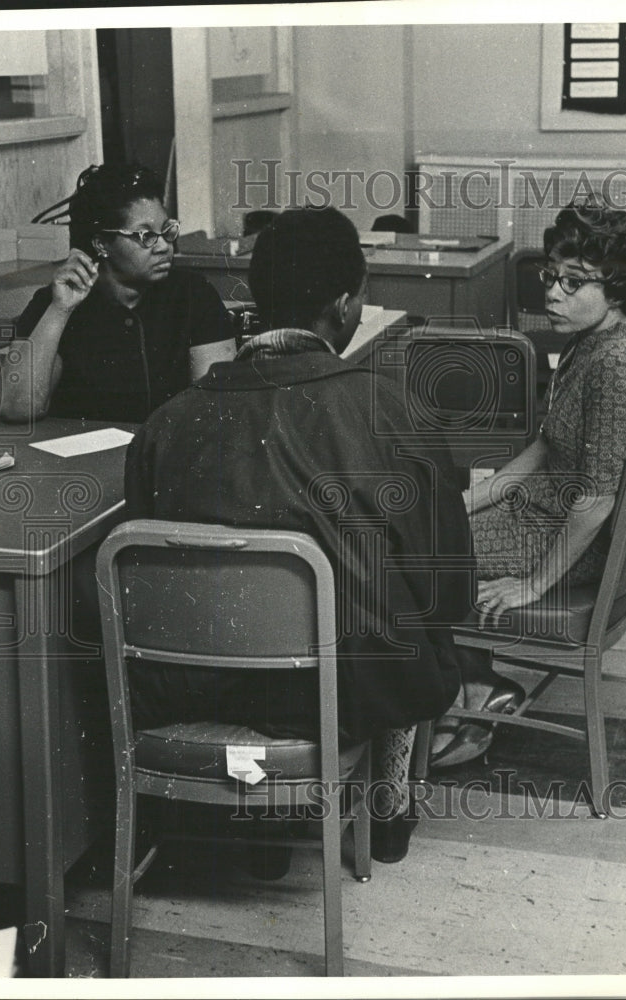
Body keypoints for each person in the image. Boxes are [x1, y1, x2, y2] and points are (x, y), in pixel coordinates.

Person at [124, 205, 474, 865]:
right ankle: (389, 804)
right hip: (340, 689)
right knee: (417, 614)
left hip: (186, 685)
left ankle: (245, 810)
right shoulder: (386, 407)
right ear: (344, 307)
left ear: (257, 298)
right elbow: (446, 584)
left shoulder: (166, 423)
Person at [430, 195, 626, 768]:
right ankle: (472, 678)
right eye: (551, 276)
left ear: (617, 290)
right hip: (545, 514)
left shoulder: (615, 363)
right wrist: (465, 501)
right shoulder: (593, 337)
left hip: (577, 541)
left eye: (573, 282)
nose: (552, 293)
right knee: (427, 522)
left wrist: (532, 584)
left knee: (409, 554)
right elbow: (544, 447)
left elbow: (597, 500)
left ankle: (472, 690)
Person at [0, 163, 236, 423]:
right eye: (146, 235)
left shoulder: (193, 295)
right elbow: (17, 407)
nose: (164, 246)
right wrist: (60, 310)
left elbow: (217, 408)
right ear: (101, 244)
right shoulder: (54, 303)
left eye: (167, 230)